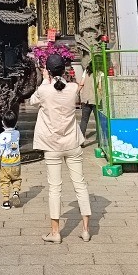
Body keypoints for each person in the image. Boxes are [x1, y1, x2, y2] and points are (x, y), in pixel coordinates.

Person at [29, 54, 92, 244]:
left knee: (55, 188)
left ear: (47, 70)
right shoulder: (73, 89)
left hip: (52, 145)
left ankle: (55, 232)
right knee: (80, 185)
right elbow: (67, 87)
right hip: (72, 143)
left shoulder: (44, 91)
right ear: (65, 70)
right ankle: (86, 229)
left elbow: (32, 100)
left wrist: (45, 80)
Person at [0, 110, 22, 209]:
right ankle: (16, 192)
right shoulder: (17, 133)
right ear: (16, 122)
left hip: (5, 164)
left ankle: (6, 201)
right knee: (16, 178)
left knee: (4, 181)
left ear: (2, 123)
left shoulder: (2, 136)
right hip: (16, 162)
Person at [78, 62, 96, 142]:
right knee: (98, 120)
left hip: (85, 99)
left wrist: (76, 92)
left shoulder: (86, 71)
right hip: (96, 100)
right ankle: (99, 139)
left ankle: (81, 140)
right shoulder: (100, 73)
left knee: (84, 120)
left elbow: (81, 84)